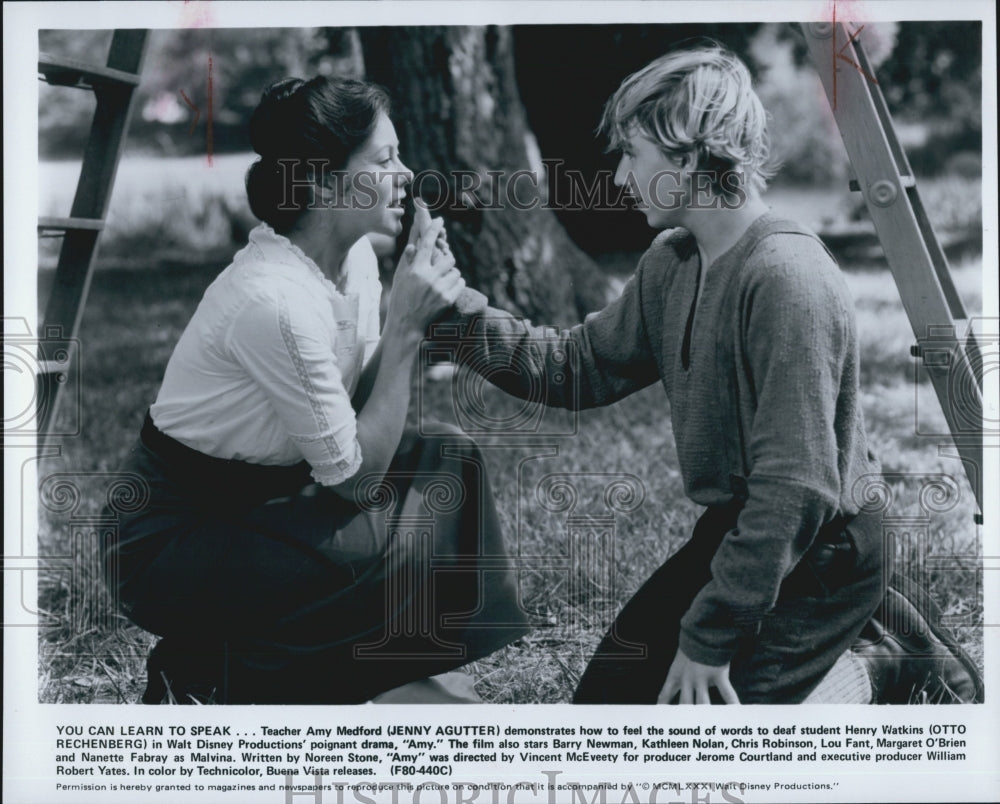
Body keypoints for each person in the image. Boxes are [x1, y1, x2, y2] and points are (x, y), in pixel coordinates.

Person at [433, 45, 982, 704]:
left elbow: (798, 486)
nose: (619, 178)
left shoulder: (786, 279)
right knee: (601, 713)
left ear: (689, 156)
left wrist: (709, 637)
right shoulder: (673, 262)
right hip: (743, 529)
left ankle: (883, 659)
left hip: (826, 548)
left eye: (632, 154)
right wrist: (452, 311)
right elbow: (574, 369)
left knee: (712, 735)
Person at [102, 76, 528, 704]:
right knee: (374, 541)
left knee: (449, 460)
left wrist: (414, 295)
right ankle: (212, 670)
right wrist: (407, 327)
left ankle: (401, 662)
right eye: (384, 160)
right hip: (176, 541)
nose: (406, 174)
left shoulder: (353, 260)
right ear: (325, 182)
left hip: (271, 497)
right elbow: (355, 478)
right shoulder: (274, 300)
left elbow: (354, 410)